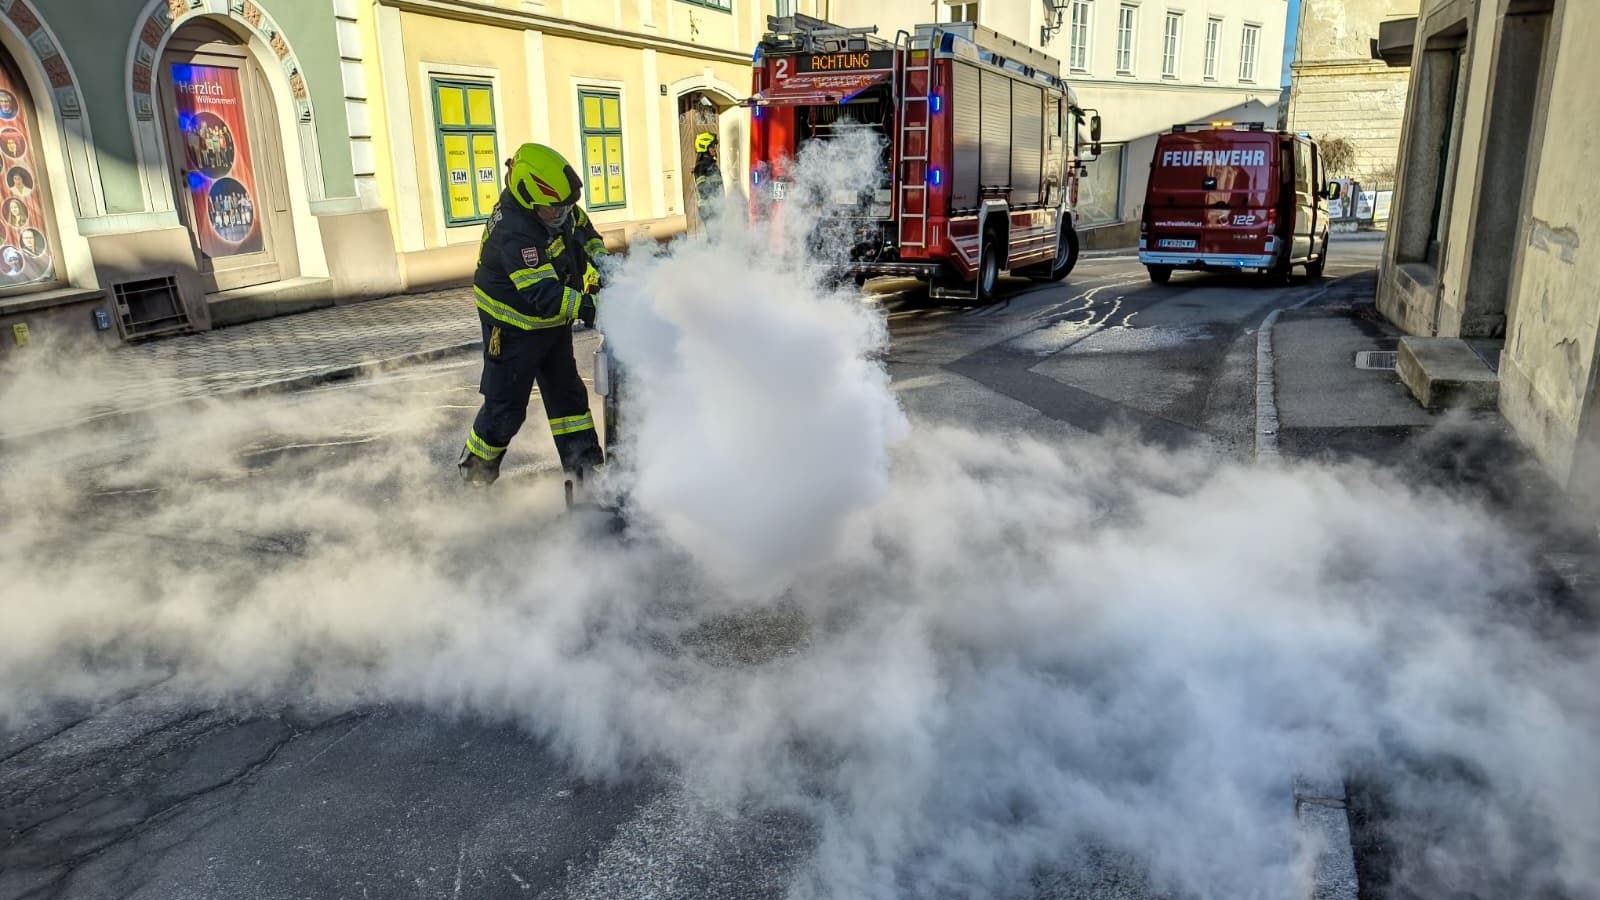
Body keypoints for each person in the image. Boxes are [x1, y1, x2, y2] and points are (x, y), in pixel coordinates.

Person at [458, 142, 609, 487]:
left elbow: (581, 227)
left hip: (551, 327)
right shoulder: (515, 231)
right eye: (553, 210)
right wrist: (594, 309)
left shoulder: (553, 207)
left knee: (569, 399)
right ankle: (475, 476)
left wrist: (602, 260)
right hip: (512, 330)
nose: (562, 214)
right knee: (506, 410)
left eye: (566, 206)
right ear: (529, 199)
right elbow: (545, 294)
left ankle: (586, 475)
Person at [692, 131, 724, 234]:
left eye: (714, 146)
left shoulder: (711, 164)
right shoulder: (701, 166)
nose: (715, 149)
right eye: (712, 146)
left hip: (715, 208)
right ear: (704, 147)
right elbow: (703, 189)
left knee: (717, 237)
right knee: (714, 238)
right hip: (708, 209)